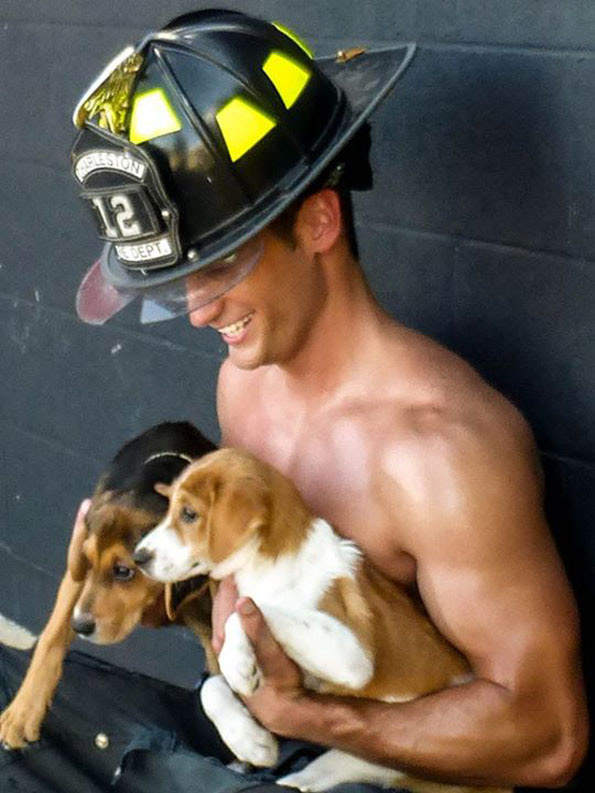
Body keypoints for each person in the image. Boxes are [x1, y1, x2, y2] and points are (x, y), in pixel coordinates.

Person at [70, 9, 587, 791]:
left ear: (317, 221)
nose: (200, 311)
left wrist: (315, 719)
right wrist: (146, 580)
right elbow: (258, 592)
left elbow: (547, 734)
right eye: (180, 283)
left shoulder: (438, 454)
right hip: (290, 750)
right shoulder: (243, 383)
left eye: (221, 266)